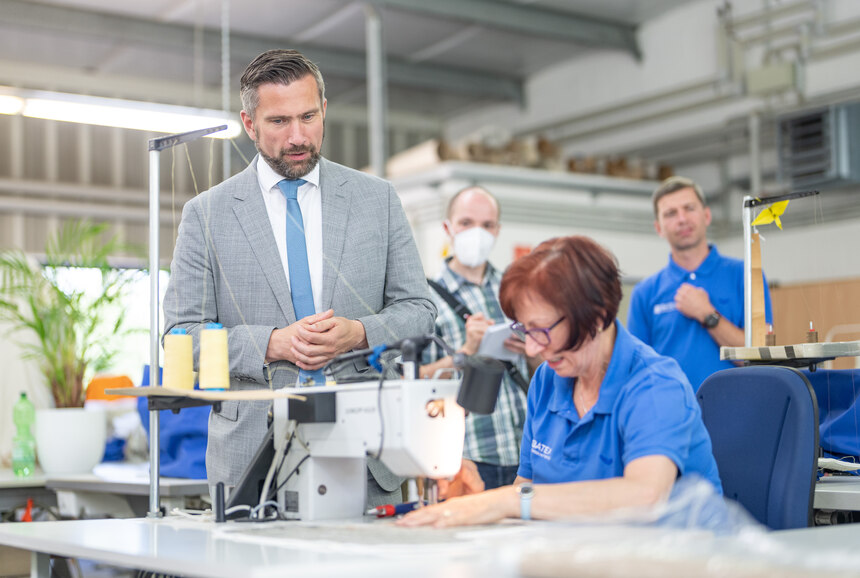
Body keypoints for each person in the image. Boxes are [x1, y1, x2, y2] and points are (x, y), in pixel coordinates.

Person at [162, 49, 436, 507]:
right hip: (251, 456)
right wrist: (271, 343)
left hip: (366, 449)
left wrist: (358, 332)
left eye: (308, 116)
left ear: (324, 110)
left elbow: (421, 314)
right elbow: (178, 335)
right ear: (249, 125)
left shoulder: (378, 200)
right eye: (278, 122)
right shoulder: (206, 215)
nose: (297, 136)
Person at [398, 236, 721, 527]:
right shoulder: (548, 380)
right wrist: (474, 500)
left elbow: (644, 496)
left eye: (541, 330)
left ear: (596, 316)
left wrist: (505, 501)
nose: (533, 348)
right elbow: (527, 487)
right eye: (524, 331)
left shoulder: (655, 384)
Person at [419, 186, 532, 489]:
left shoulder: (517, 288)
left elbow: (545, 368)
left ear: (497, 231)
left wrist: (532, 350)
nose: (477, 233)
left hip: (527, 451)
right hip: (469, 456)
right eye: (466, 223)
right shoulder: (424, 300)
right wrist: (466, 351)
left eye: (487, 225)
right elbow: (414, 381)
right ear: (448, 228)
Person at [627, 176, 772, 391]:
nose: (682, 219)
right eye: (670, 213)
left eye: (689, 208)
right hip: (671, 419)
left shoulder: (746, 274)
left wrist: (708, 315)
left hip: (739, 412)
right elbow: (636, 372)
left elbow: (762, 357)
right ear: (658, 228)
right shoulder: (644, 293)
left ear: (706, 215)